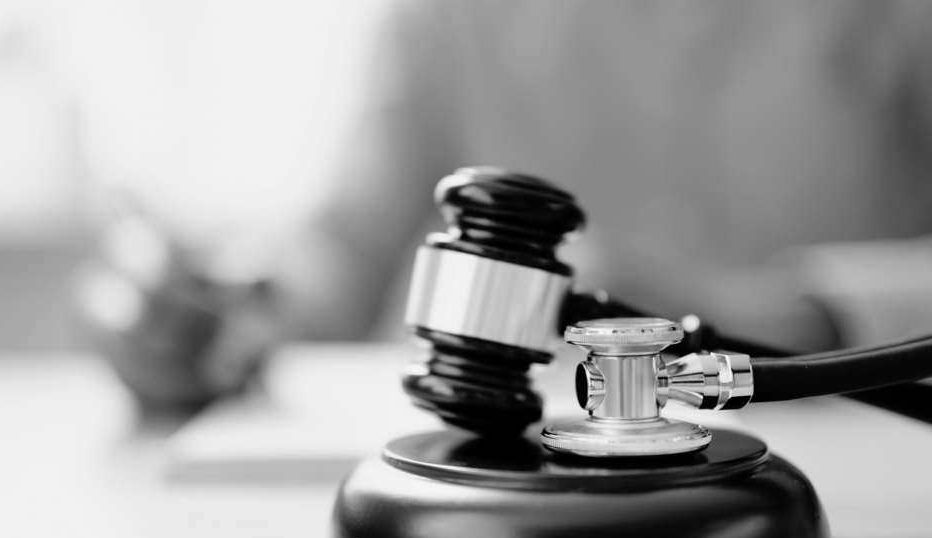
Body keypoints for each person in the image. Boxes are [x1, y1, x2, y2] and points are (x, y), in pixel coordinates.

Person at [80, 0, 932, 408]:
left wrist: (788, 314)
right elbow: (341, 255)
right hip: (555, 491)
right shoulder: (446, 22)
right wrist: (232, 306)